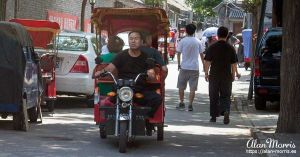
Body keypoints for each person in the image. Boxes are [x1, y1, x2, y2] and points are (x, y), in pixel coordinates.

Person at [94, 31, 161, 117]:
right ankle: (110, 122)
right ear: (128, 41)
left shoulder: (146, 57)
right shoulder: (121, 55)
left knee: (157, 98)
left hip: (139, 89)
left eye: (136, 38)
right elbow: (110, 68)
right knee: (107, 102)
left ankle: (145, 118)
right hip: (122, 88)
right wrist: (100, 72)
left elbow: (151, 73)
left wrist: (151, 74)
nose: (133, 41)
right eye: (131, 39)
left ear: (141, 42)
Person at [204, 26, 238, 124]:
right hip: (226, 75)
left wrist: (206, 73)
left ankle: (213, 117)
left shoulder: (212, 47)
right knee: (226, 95)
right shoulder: (230, 48)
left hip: (214, 75)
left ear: (217, 35)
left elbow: (207, 62)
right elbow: (234, 63)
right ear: (227, 35)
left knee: (213, 95)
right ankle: (226, 110)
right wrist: (233, 74)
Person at [176, 23, 204, 111]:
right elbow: (201, 54)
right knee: (192, 88)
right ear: (194, 31)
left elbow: (178, 53)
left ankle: (181, 102)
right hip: (194, 68)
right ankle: (190, 105)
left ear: (186, 31)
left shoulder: (182, 41)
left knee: (181, 86)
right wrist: (204, 65)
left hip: (184, 67)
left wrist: (179, 64)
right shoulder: (198, 41)